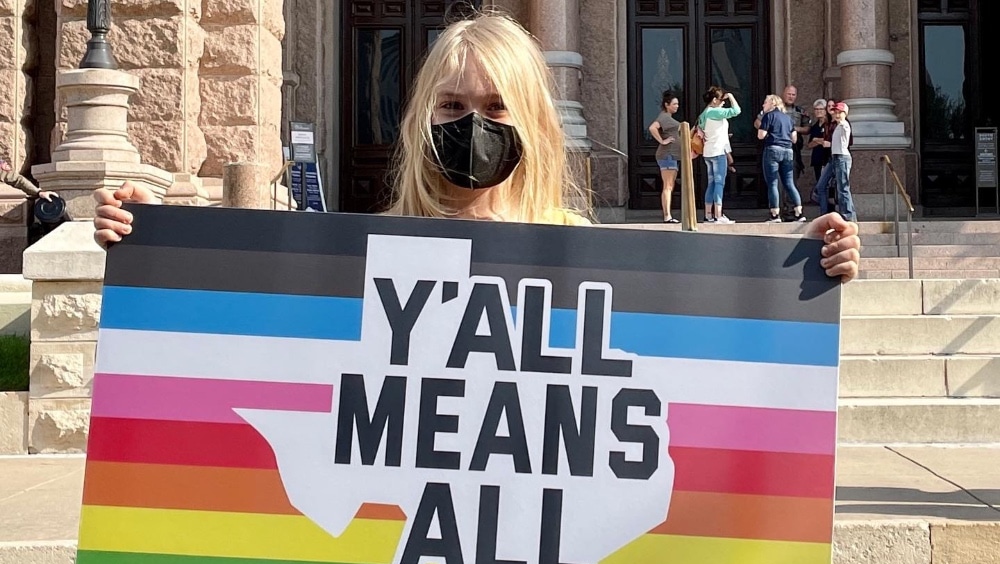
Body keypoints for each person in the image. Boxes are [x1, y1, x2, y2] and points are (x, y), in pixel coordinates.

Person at [94, 11, 861, 282]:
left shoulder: (582, 253)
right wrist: (153, 238)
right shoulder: (363, 249)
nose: (472, 124)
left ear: (531, 121)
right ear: (421, 118)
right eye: (452, 105)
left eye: (496, 107)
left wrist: (810, 264)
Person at [757, 94, 805, 223]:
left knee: (773, 183)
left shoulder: (768, 116)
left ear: (773, 103)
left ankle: (775, 214)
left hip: (773, 149)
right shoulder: (788, 118)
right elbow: (794, 139)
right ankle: (799, 213)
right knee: (789, 183)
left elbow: (761, 135)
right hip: (788, 151)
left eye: (765, 102)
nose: (763, 105)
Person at [697, 86, 740, 224]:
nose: (723, 103)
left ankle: (708, 214)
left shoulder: (704, 114)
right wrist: (732, 96)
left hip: (708, 152)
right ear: (715, 100)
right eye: (722, 100)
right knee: (719, 183)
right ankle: (718, 215)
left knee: (711, 183)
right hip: (718, 151)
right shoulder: (715, 112)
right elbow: (736, 111)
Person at [648, 91, 681, 223]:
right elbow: (652, 128)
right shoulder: (664, 117)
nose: (677, 106)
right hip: (668, 155)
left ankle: (668, 215)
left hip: (672, 155)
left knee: (670, 185)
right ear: (667, 105)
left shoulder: (667, 117)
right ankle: (667, 216)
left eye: (677, 104)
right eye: (674, 104)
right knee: (668, 186)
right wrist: (662, 141)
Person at [824, 101, 856, 222]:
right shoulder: (838, 125)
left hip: (842, 157)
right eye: (836, 112)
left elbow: (844, 130)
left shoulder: (844, 125)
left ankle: (848, 215)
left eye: (840, 112)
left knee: (843, 188)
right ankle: (849, 214)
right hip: (837, 157)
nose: (837, 115)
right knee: (841, 187)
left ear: (845, 113)